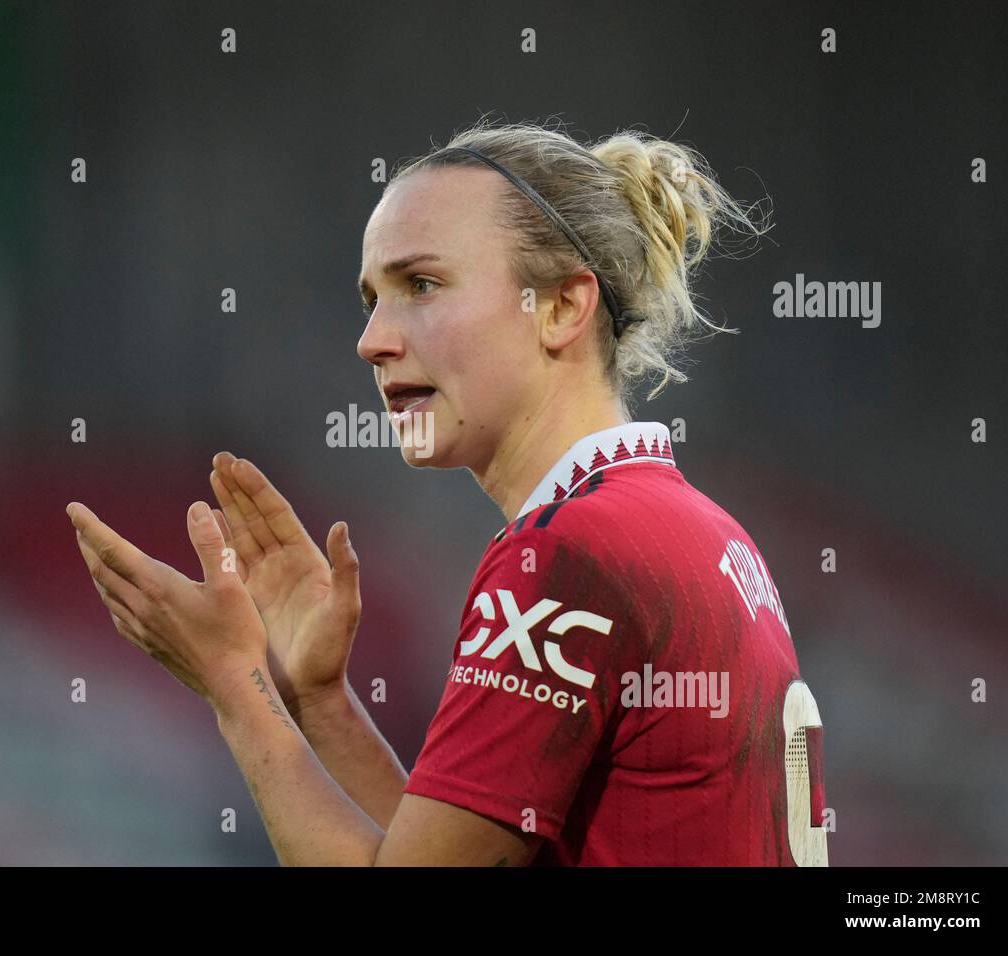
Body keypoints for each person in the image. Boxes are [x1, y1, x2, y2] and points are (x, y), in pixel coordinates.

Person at [66, 118, 828, 866]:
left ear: (562, 307)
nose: (372, 340)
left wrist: (235, 685)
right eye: (372, 299)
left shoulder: (567, 556)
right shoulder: (692, 528)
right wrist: (319, 700)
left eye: (421, 285)